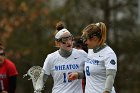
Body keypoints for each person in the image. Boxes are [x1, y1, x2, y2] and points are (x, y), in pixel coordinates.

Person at [35, 21, 87, 93]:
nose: (69, 42)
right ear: (58, 43)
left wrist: (79, 75)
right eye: (64, 40)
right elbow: (42, 79)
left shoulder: (82, 54)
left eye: (70, 38)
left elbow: (92, 72)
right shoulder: (51, 58)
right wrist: (37, 90)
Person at [68, 22, 117, 93]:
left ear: (94, 38)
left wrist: (107, 91)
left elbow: (111, 76)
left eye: (86, 39)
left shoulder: (108, 53)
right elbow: (92, 72)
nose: (84, 42)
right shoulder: (90, 51)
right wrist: (78, 75)